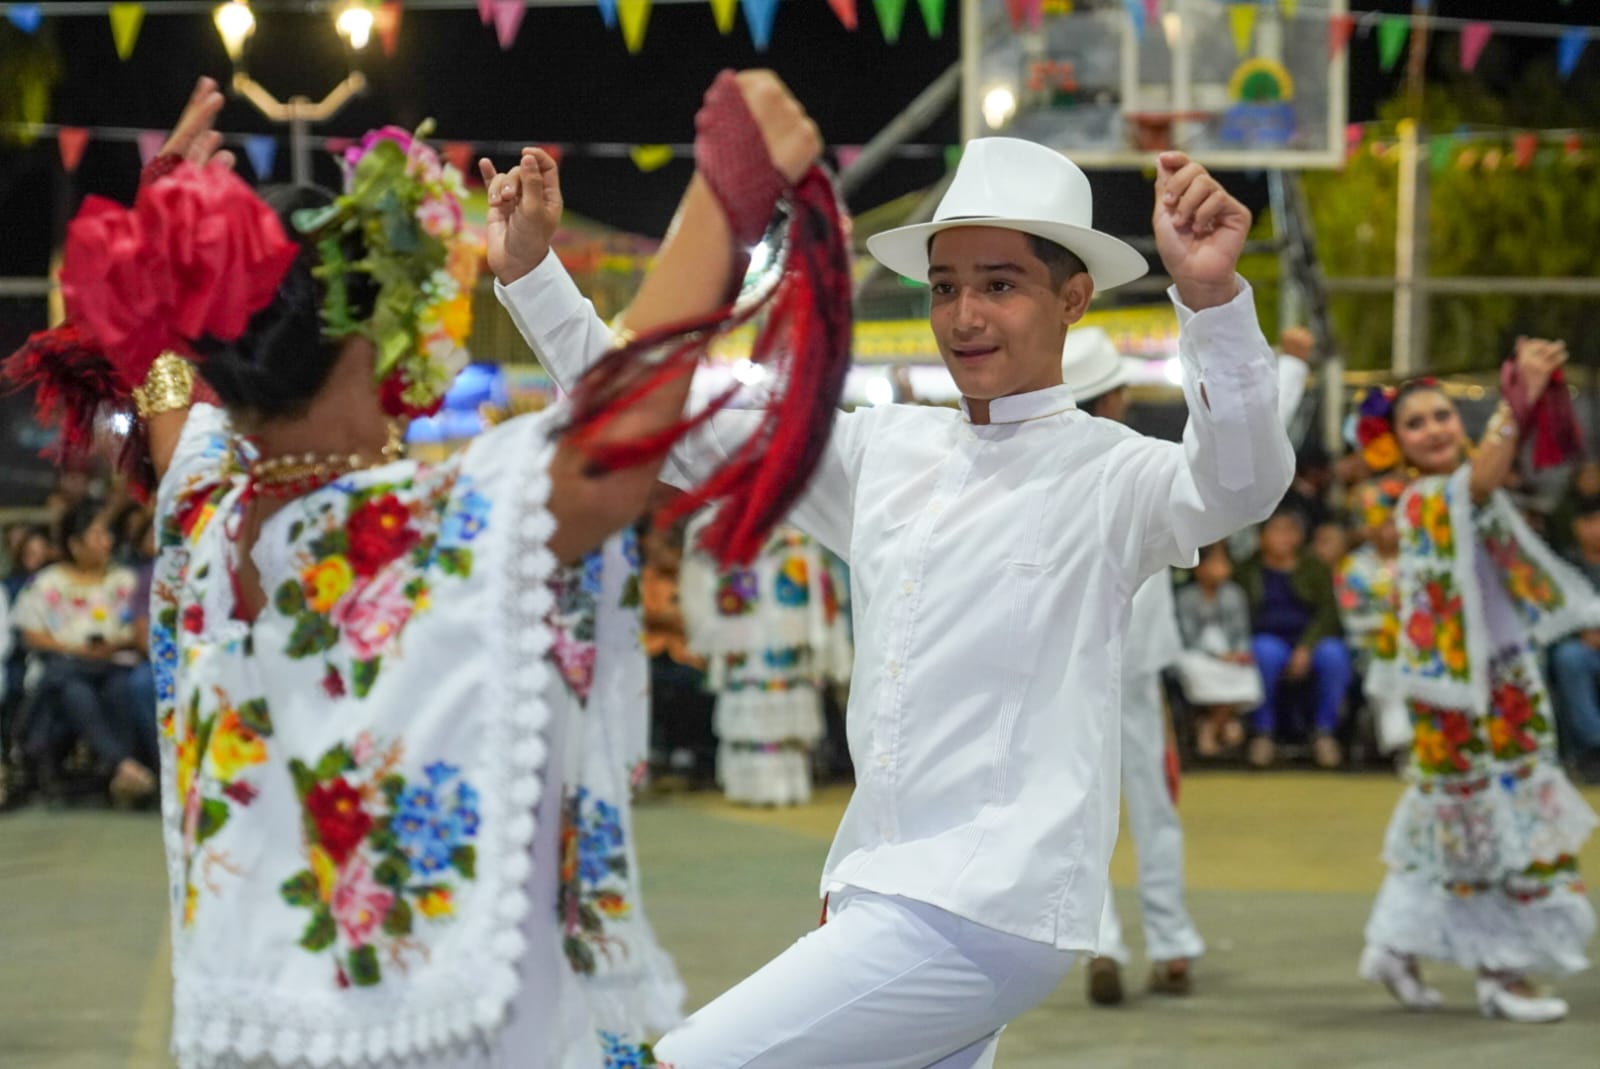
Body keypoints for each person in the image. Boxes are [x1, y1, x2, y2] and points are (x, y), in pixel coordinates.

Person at [8, 71, 835, 1068]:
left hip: (258, 1033)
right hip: (432, 1036)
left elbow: (163, 380)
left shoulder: (203, 511)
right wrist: (721, 194)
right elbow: (609, 444)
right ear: (370, 335)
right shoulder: (404, 528)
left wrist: (168, 246)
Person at [488, 133, 1294, 1066]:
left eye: (1000, 283)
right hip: (882, 889)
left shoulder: (1110, 475)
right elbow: (665, 420)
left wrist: (1211, 300)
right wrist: (535, 273)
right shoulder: (883, 450)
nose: (964, 314)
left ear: (1073, 298)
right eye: (945, 286)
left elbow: (1242, 480)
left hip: (981, 908)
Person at [1354, 344, 1597, 1023]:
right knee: (1489, 826)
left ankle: (1394, 947)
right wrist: (1519, 403)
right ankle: (1501, 974)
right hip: (1456, 694)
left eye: (1441, 416)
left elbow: (1514, 561)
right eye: (1416, 423)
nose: (1434, 428)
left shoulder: (1464, 494)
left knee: (1460, 823)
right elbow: (1486, 476)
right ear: (1397, 444)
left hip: (1504, 679)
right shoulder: (1426, 497)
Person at [1058, 326, 1201, 1004]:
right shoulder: (1146, 460)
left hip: (1066, 671)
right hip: (1138, 667)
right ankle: (1170, 944)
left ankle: (1102, 943)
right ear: (1115, 397)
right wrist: (1284, 368)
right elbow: (1242, 469)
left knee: (1080, 811)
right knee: (1154, 805)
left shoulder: (1040, 468)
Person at [678, 520, 852, 806]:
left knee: (787, 704)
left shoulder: (799, 530)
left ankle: (788, 785)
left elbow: (822, 586)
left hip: (788, 631)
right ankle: (748, 785)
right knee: (748, 698)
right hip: (741, 633)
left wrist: (826, 637)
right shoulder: (717, 523)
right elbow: (700, 572)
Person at [12, 501, 154, 805]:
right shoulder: (49, 581)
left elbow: (138, 629)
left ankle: (119, 769)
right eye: (97, 534)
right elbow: (31, 634)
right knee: (74, 690)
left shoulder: (123, 579)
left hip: (115, 663)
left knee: (117, 688)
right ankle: (123, 766)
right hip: (68, 663)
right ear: (75, 544)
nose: (107, 541)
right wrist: (73, 648)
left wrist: (112, 646)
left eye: (106, 534)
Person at [1234, 506, 1351, 768]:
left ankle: (1324, 732)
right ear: (1262, 536)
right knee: (1263, 653)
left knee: (1335, 656)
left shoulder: (1315, 568)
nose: (1284, 538)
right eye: (1277, 530)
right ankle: (1263, 733)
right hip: (1267, 637)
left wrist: (1306, 647)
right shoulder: (1247, 570)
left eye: (1291, 531)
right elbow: (1241, 615)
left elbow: (1328, 615)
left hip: (1309, 640)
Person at [1174, 542, 1262, 758]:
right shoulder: (1186, 597)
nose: (1220, 567)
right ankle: (1223, 726)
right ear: (1199, 567)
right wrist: (1216, 655)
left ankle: (1212, 726)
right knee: (1196, 668)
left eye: (1223, 561)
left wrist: (1235, 653)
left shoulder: (1234, 594)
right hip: (1196, 652)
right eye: (1214, 562)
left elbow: (1241, 632)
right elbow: (1187, 636)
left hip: (1229, 652)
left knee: (1245, 670)